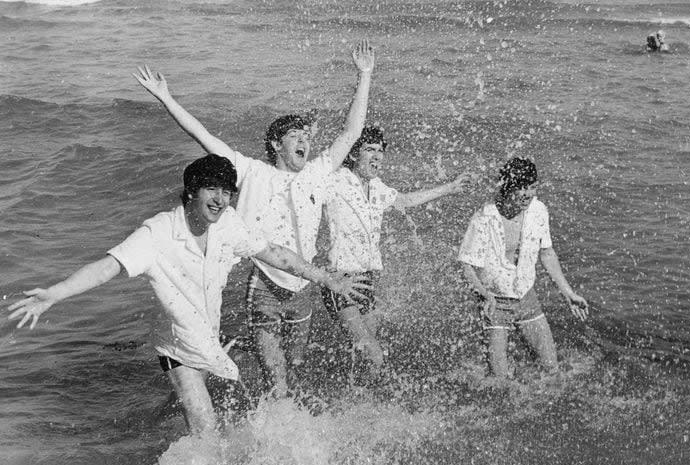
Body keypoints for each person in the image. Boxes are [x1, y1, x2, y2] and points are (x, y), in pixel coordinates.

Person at [7, 155, 367, 433]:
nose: (220, 199)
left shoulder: (226, 224)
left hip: (207, 335)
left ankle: (153, 420)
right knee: (204, 421)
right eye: (212, 189)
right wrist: (53, 294)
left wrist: (326, 278)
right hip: (177, 347)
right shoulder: (158, 234)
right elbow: (108, 267)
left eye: (227, 192)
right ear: (192, 191)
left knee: (193, 401)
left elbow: (273, 253)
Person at [133, 39, 375, 397]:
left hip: (303, 286)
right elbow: (203, 137)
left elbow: (351, 132)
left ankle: (243, 346)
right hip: (264, 286)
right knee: (276, 384)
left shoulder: (318, 172)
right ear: (276, 144)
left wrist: (365, 75)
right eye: (295, 136)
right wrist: (166, 98)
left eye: (306, 136)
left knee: (293, 367)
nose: (304, 141)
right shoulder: (249, 171)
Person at [320, 126, 471, 381]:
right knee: (374, 354)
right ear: (354, 153)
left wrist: (448, 189)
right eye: (370, 150)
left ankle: (349, 399)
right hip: (340, 280)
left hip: (366, 280)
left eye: (380, 151)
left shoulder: (377, 187)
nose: (377, 156)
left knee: (362, 355)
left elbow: (405, 201)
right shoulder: (334, 180)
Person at [457, 157, 588, 380]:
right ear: (509, 186)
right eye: (522, 187)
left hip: (526, 297)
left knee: (551, 372)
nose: (528, 193)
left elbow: (547, 253)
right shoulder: (484, 218)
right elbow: (466, 266)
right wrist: (483, 295)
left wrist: (568, 293)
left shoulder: (538, 210)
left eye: (533, 187)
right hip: (494, 302)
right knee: (498, 383)